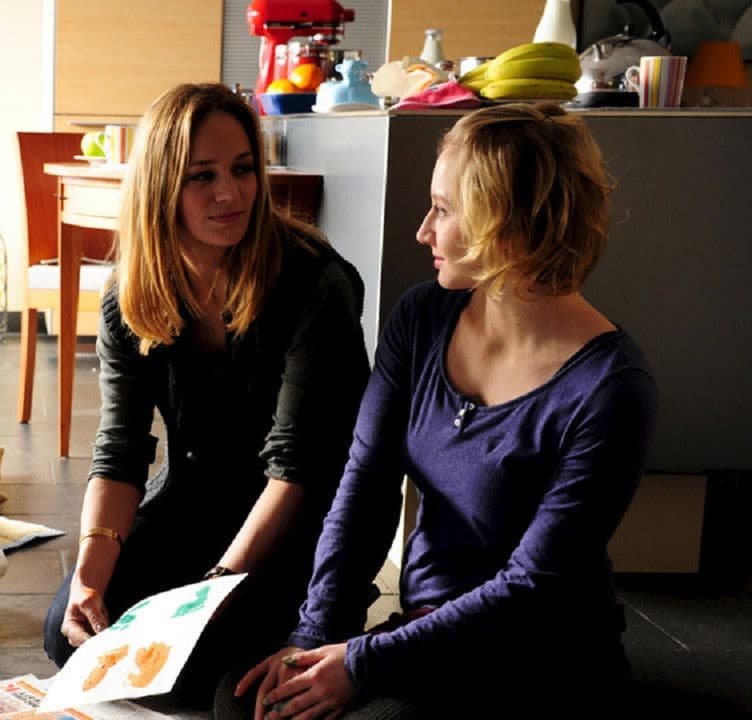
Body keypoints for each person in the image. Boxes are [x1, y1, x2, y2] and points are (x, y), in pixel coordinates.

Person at [230, 103, 659, 719]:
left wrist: (361, 662)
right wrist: (313, 637)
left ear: (505, 224)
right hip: (425, 632)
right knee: (246, 701)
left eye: (443, 209)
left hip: (539, 653)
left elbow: (532, 584)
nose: (423, 231)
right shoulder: (422, 317)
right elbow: (365, 482)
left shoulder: (611, 386)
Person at [41, 83, 372, 706]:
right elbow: (119, 449)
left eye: (243, 169)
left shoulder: (314, 285)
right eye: (203, 176)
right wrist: (89, 571)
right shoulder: (129, 295)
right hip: (193, 502)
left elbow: (297, 470)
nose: (231, 193)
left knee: (214, 681)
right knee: (70, 631)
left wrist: (212, 592)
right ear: (161, 187)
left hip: (295, 520)